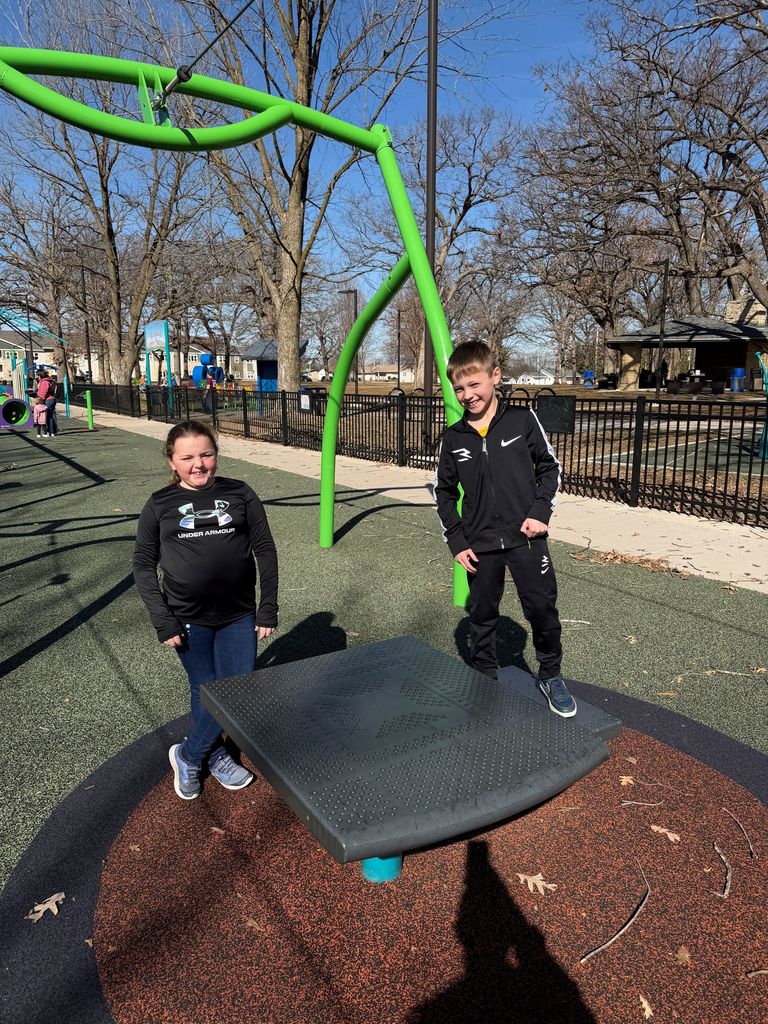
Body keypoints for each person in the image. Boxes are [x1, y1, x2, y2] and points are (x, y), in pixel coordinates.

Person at [133, 419, 279, 800]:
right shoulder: (159, 504)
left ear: (216, 455)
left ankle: (189, 755)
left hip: (238, 614)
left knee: (233, 691)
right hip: (186, 618)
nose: (198, 464)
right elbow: (143, 566)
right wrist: (163, 620)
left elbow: (265, 549)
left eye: (206, 455)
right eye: (187, 458)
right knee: (205, 688)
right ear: (171, 461)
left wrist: (267, 606)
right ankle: (212, 754)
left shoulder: (240, 493)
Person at [433, 341, 576, 717]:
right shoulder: (454, 438)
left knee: (541, 609)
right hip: (479, 543)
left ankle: (551, 675)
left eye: (474, 384)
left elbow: (550, 468)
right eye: (459, 389)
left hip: (526, 538)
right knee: (481, 613)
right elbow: (444, 493)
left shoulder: (522, 421)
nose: (467, 395)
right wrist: (457, 541)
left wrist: (540, 512)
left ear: (495, 377)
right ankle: (484, 677)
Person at [35, 370, 58, 437]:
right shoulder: (50, 380)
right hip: (52, 399)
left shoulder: (44, 382)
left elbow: (43, 393)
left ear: (40, 376)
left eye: (38, 375)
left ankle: (50, 431)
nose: (37, 377)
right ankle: (54, 431)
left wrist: (39, 401)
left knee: (48, 416)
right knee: (52, 415)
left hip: (47, 400)